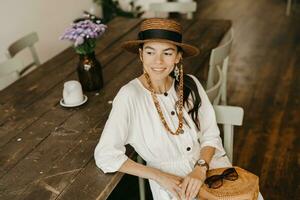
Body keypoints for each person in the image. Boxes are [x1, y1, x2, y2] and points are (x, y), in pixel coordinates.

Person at [94, 18, 263, 200]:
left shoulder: (190, 84)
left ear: (178, 56)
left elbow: (210, 135)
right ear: (141, 55)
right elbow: (106, 155)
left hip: (211, 167)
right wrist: (159, 176)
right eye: (150, 52)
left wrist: (200, 168)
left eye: (167, 53)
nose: (158, 61)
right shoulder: (129, 96)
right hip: (172, 184)